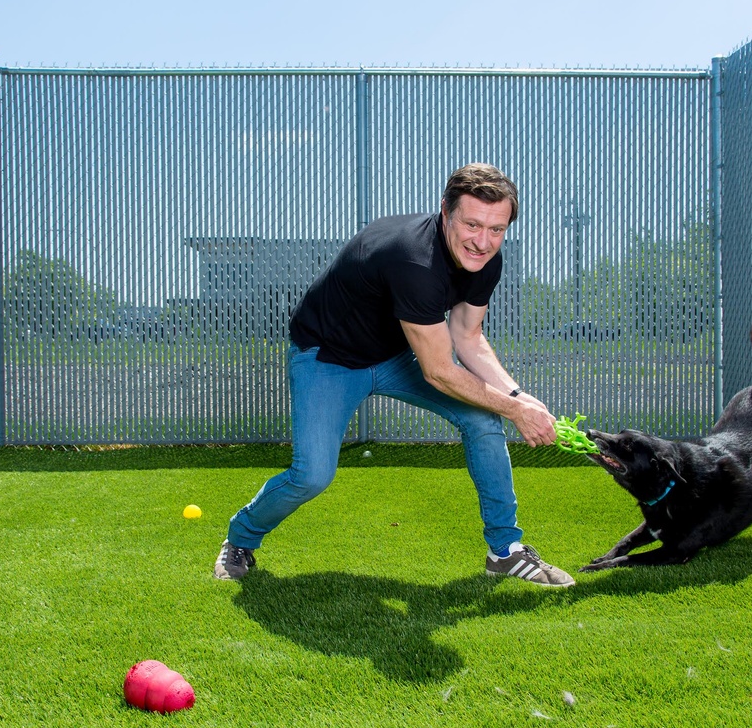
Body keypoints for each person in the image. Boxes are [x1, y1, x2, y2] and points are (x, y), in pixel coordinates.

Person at [214, 163, 574, 587]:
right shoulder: (413, 260)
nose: (483, 241)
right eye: (473, 225)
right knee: (312, 475)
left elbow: (467, 336)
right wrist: (516, 410)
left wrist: (517, 395)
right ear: (445, 212)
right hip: (327, 356)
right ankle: (240, 539)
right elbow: (439, 371)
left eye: (497, 229)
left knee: (481, 418)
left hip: (394, 355)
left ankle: (505, 550)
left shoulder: (484, 260)